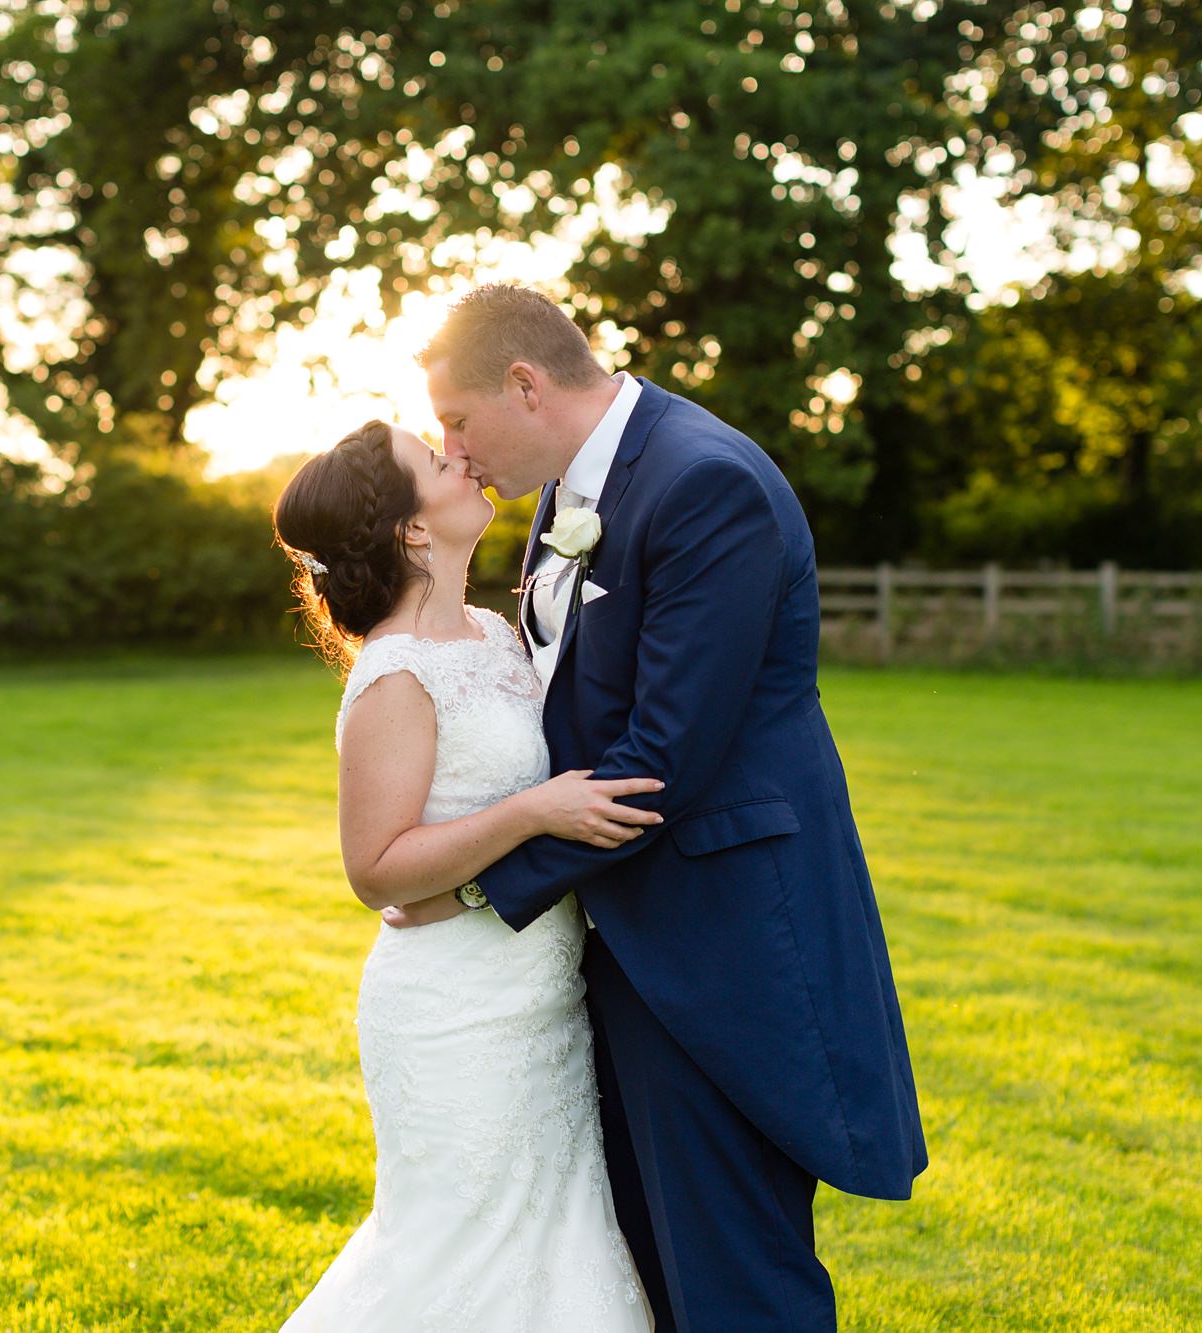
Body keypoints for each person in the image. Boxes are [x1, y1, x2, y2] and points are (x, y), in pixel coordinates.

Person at [382, 282, 929, 1331]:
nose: (448, 446)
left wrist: (477, 885)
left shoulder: (700, 482)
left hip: (716, 933)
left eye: (454, 418)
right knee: (651, 1266)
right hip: (621, 933)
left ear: (525, 384)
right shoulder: (566, 488)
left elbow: (661, 759)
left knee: (733, 1278)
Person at [271, 418, 659, 1331]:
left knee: (555, 1243)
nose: (464, 459)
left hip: (542, 991)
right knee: (460, 1245)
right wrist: (532, 811)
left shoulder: (493, 633)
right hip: (453, 1009)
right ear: (413, 528)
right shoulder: (395, 676)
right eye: (438, 462)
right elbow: (375, 870)